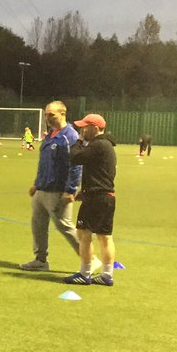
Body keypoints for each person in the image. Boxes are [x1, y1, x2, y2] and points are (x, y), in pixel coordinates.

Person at [19, 100, 85, 272]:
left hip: (57, 191)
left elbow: (77, 165)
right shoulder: (50, 135)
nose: (47, 118)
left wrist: (71, 190)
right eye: (47, 114)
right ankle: (41, 260)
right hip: (42, 189)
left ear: (63, 114)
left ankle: (88, 259)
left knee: (65, 226)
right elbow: (44, 162)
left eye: (51, 115)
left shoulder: (70, 136)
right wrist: (36, 183)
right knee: (38, 225)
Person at [64, 114, 118, 286]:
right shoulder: (107, 145)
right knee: (105, 237)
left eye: (85, 127)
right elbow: (99, 172)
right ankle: (107, 275)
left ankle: (85, 273)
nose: (82, 130)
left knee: (84, 234)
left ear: (95, 128)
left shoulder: (98, 144)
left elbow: (75, 157)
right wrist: (85, 190)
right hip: (105, 196)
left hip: (96, 198)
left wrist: (78, 141)